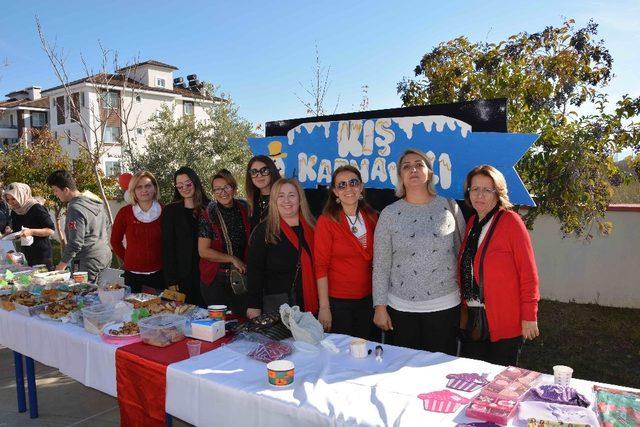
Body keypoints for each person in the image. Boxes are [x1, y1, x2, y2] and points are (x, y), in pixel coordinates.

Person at [372, 149, 465, 355]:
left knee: (439, 373)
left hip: (445, 306)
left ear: (429, 173)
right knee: (403, 373)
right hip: (401, 310)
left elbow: (462, 255)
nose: (413, 169)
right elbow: (380, 264)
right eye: (406, 166)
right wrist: (380, 307)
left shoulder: (450, 207)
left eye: (419, 164)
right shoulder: (389, 214)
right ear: (400, 176)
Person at [458, 165, 540, 366]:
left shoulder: (510, 221)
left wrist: (530, 315)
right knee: (471, 378)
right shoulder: (472, 223)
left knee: (498, 384)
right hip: (474, 319)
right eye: (475, 189)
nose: (480, 195)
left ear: (498, 193)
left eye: (487, 189)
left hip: (504, 319)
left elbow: (528, 273)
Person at [314, 165, 378, 339]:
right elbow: (320, 267)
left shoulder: (372, 217)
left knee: (365, 352)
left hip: (368, 301)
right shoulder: (326, 221)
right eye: (341, 185)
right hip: (338, 304)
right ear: (335, 192)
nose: (348, 188)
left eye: (353, 182)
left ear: (361, 187)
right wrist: (324, 308)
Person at [246, 178, 318, 318]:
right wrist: (254, 305)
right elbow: (254, 271)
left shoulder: (313, 227)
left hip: (311, 304)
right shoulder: (264, 231)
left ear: (300, 199)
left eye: (292, 195)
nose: (287, 200)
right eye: (281, 196)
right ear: (274, 200)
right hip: (279, 308)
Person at [198, 169, 251, 314]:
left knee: (242, 321)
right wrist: (232, 259)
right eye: (217, 189)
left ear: (234, 188)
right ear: (213, 192)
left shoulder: (245, 208)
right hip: (216, 280)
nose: (223, 192)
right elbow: (203, 251)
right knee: (219, 324)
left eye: (226, 187)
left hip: (241, 277)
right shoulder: (208, 214)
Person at [46, 170, 112, 282]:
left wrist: (61, 266)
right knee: (102, 293)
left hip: (87, 260)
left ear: (66, 190)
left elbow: (75, 243)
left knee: (84, 294)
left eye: (56, 190)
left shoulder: (75, 208)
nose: (55, 194)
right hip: (104, 255)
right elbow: (107, 225)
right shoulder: (94, 201)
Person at [162, 167, 209, 306]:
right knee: (182, 316)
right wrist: (171, 280)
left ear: (195, 183)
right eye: (180, 185)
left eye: (188, 184)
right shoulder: (170, 211)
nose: (184, 188)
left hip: (207, 274)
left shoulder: (209, 208)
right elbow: (167, 247)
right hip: (181, 277)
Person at [110, 171, 163, 293]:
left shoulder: (166, 212)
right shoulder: (124, 213)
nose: (144, 190)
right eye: (139, 187)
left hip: (160, 275)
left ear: (154, 188)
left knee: (160, 310)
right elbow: (115, 241)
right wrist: (129, 259)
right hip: (133, 277)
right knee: (133, 311)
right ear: (133, 191)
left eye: (148, 186)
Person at [3, 183, 55, 269]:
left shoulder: (36, 208)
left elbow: (50, 230)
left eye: (13, 199)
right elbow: (17, 232)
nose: (11, 202)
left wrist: (31, 232)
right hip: (26, 255)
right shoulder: (15, 211)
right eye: (8, 199)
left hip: (42, 255)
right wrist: (8, 235)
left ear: (22, 195)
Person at [244, 155, 281, 229]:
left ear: (272, 171)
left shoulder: (283, 198)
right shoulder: (251, 202)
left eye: (264, 170)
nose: (259, 175)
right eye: (254, 172)